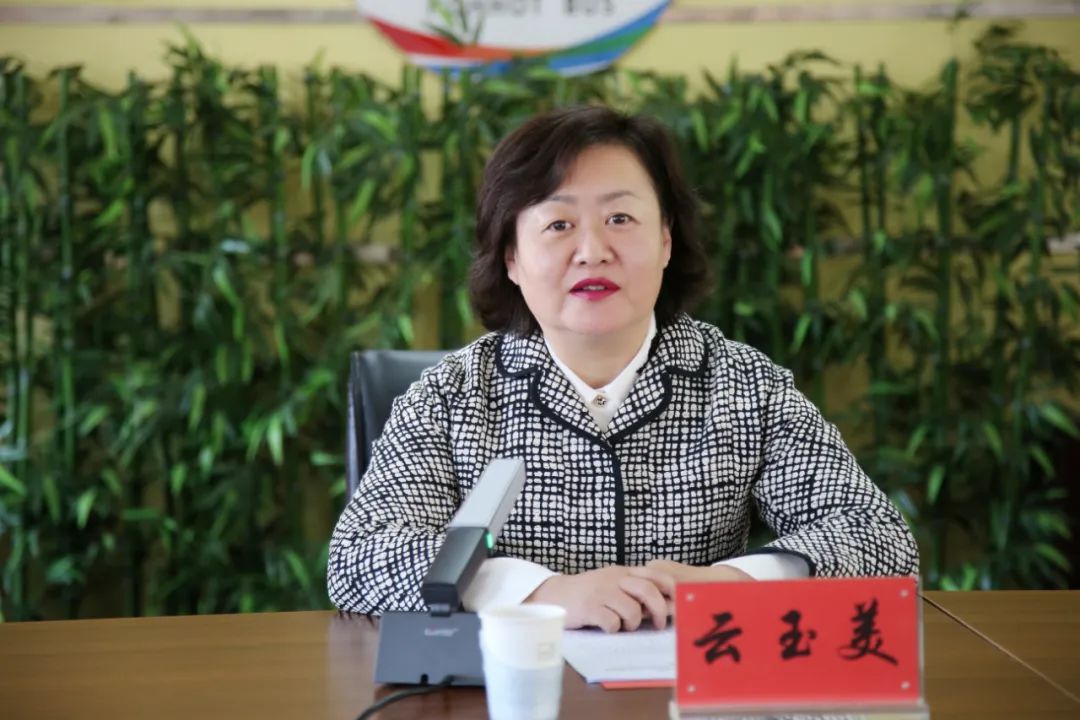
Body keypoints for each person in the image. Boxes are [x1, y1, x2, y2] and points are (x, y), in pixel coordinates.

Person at [327, 105, 919, 633]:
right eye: (558, 225)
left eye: (620, 219)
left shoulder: (742, 385)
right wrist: (543, 594)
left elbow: (881, 541)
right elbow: (359, 557)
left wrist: (728, 585)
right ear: (512, 258)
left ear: (665, 241)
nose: (593, 251)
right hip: (510, 691)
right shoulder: (452, 395)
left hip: (690, 691)